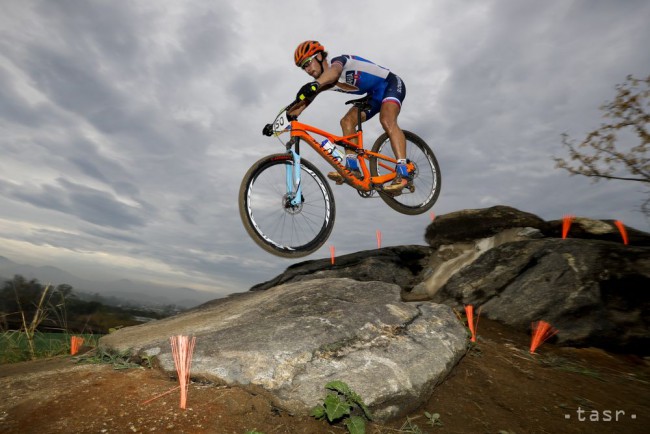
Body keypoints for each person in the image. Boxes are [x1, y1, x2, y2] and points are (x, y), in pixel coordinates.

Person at [264, 40, 410, 194]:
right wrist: (276, 124)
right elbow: (300, 106)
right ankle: (353, 169)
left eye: (308, 63)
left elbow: (334, 72)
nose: (307, 69)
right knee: (346, 121)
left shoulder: (338, 62)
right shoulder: (323, 84)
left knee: (387, 120)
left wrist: (315, 85)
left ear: (319, 56)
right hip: (373, 95)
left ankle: (403, 169)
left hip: (390, 84)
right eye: (303, 67)